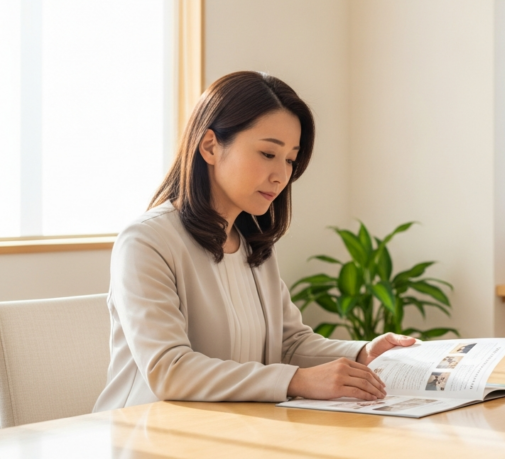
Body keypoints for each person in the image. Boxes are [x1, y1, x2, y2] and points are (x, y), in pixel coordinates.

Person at [94, 71, 413, 412]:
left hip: (230, 428)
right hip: (145, 434)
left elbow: (289, 344)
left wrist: (362, 354)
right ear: (211, 146)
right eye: (267, 153)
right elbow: (169, 370)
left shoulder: (251, 244)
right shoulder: (146, 241)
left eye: (290, 159)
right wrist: (296, 380)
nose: (281, 175)